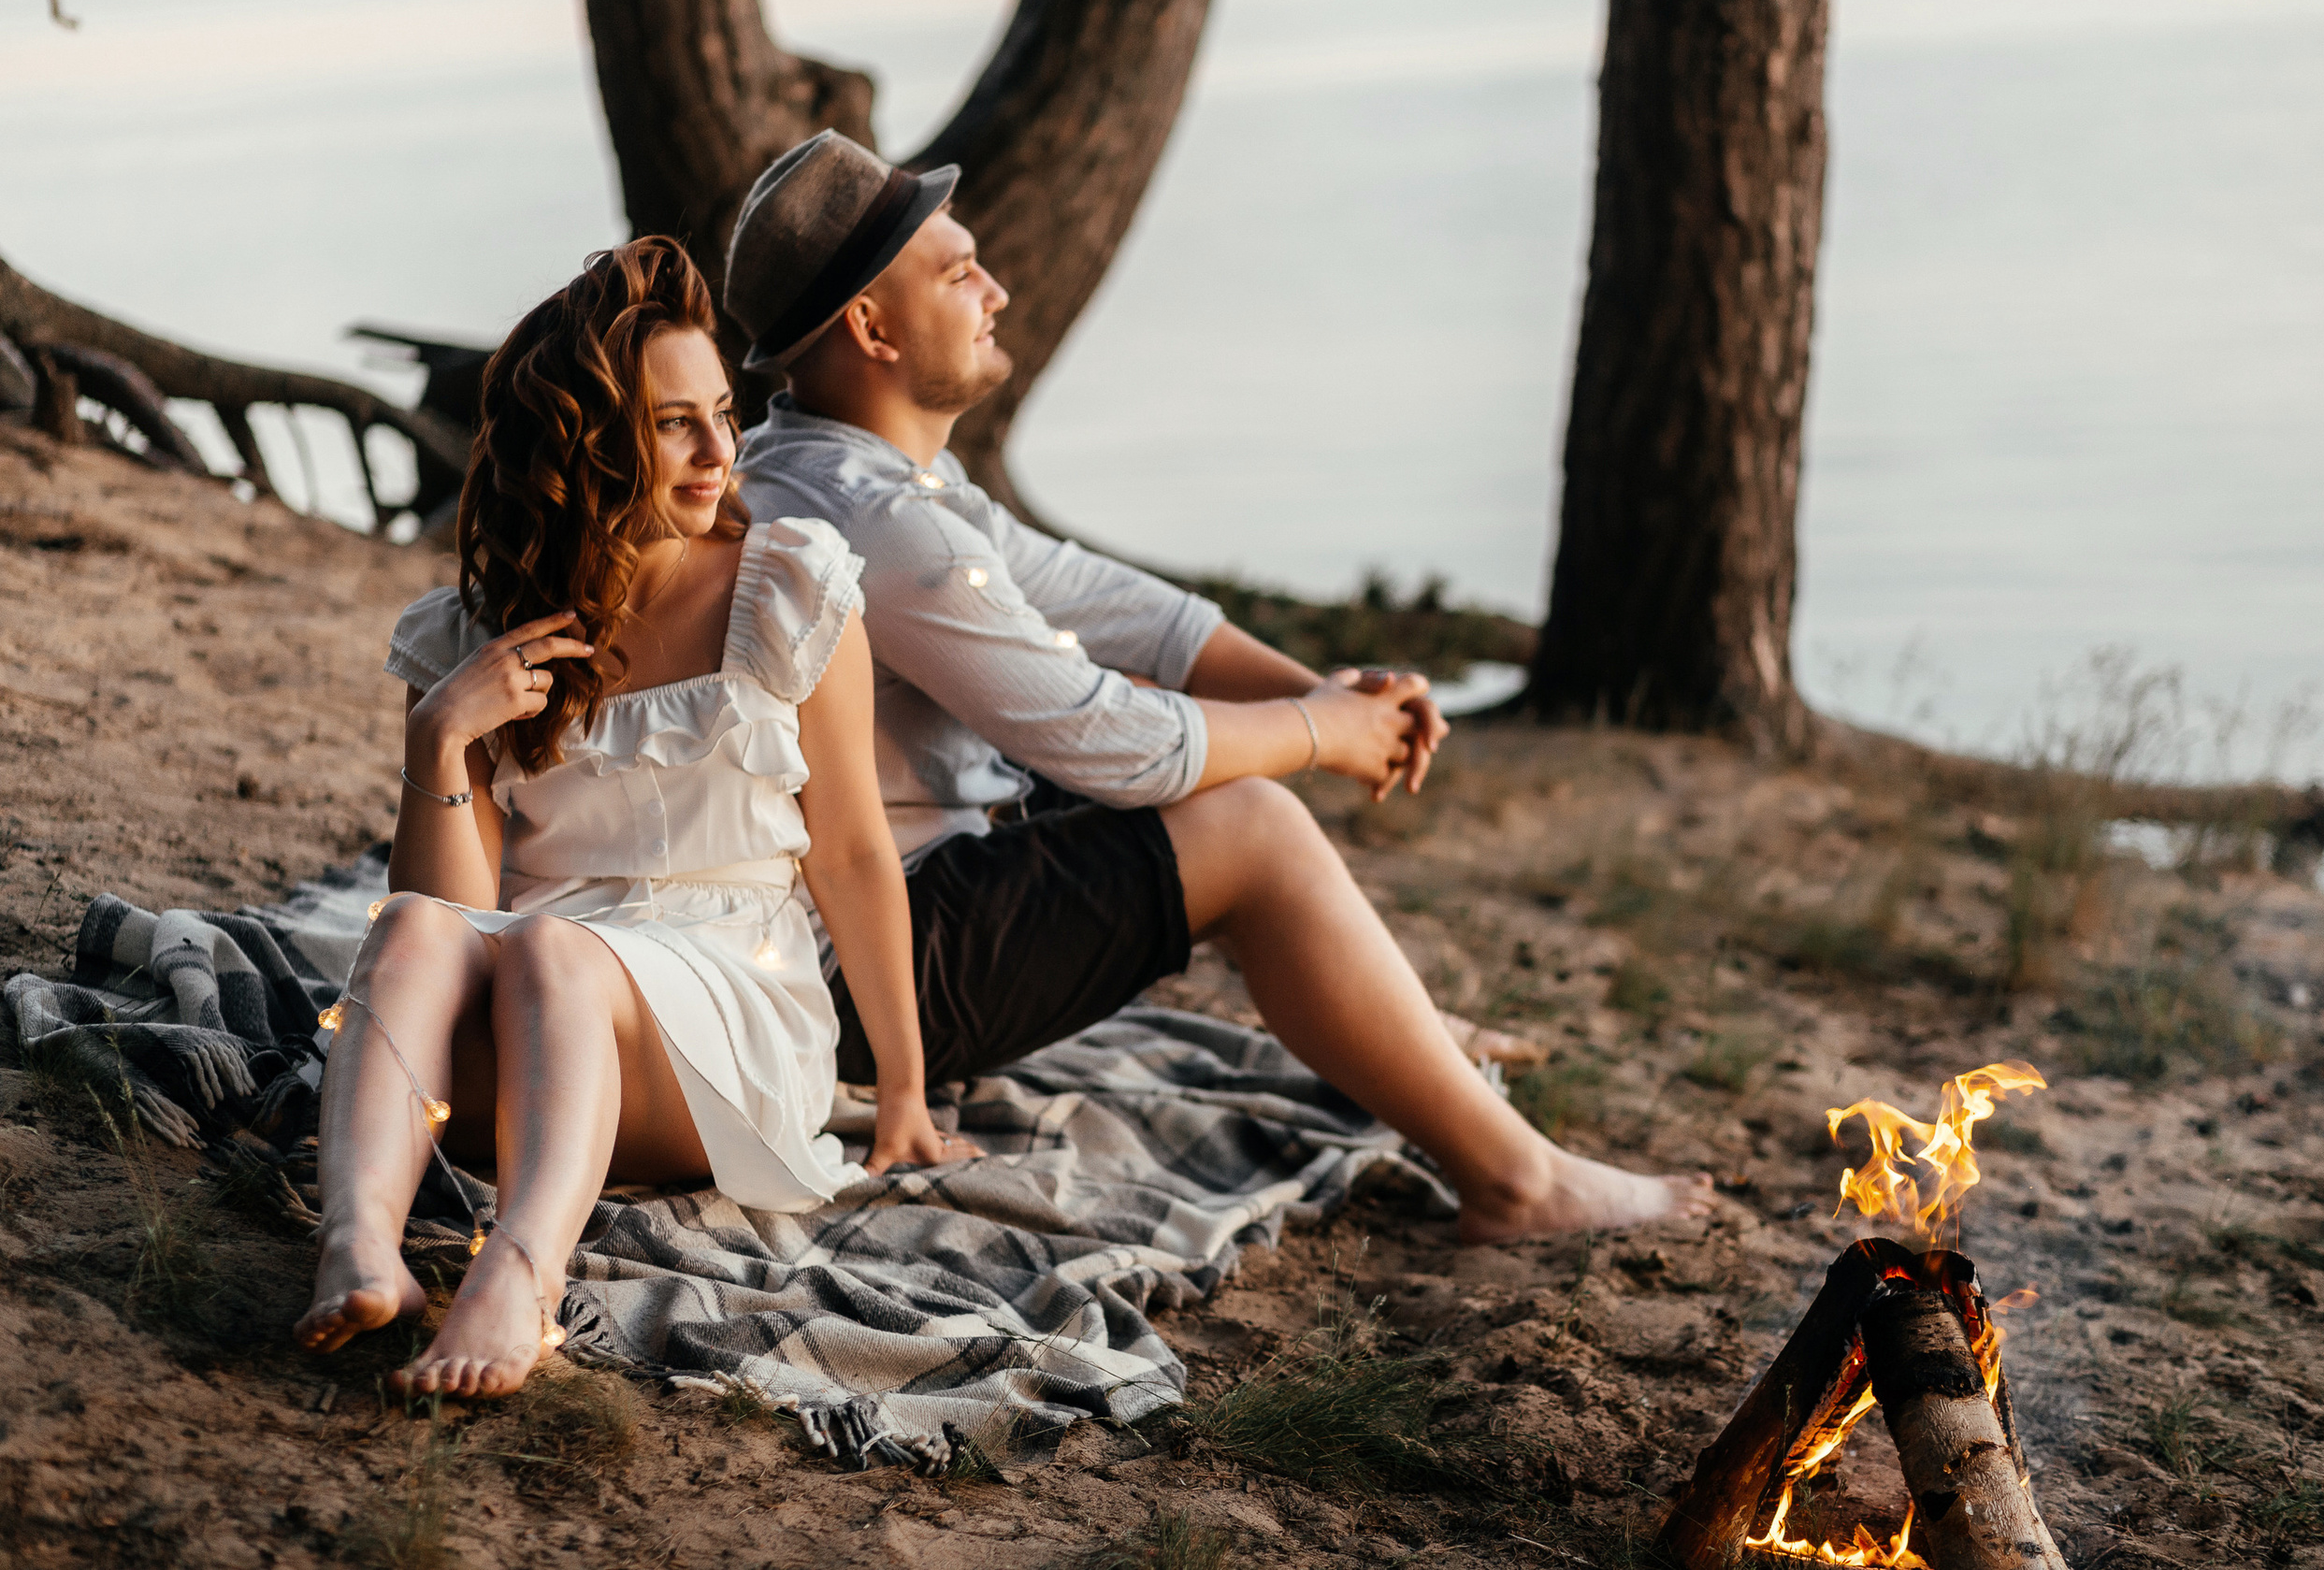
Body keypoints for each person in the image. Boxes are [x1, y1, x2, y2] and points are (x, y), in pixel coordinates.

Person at [721, 133, 1716, 1242]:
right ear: (871, 327)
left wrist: (1343, 699)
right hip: (862, 977)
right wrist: (1317, 730)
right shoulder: (878, 524)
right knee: (1250, 826)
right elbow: (1120, 750)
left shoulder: (855, 472)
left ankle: (1404, 1027)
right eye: (959, 273)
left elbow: (1133, 614)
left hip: (889, 908)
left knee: (1168, 727)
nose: (996, 291)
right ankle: (1520, 1184)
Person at [292, 237, 978, 1399]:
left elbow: (855, 850)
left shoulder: (791, 587)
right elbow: (453, 915)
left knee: (557, 949)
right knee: (404, 934)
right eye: (676, 424)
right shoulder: (470, 641)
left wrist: (902, 1095)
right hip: (533, 1018)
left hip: (727, 1013)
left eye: (724, 412)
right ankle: (361, 1249)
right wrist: (439, 742)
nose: (722, 451)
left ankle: (518, 1274)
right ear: (586, 441)